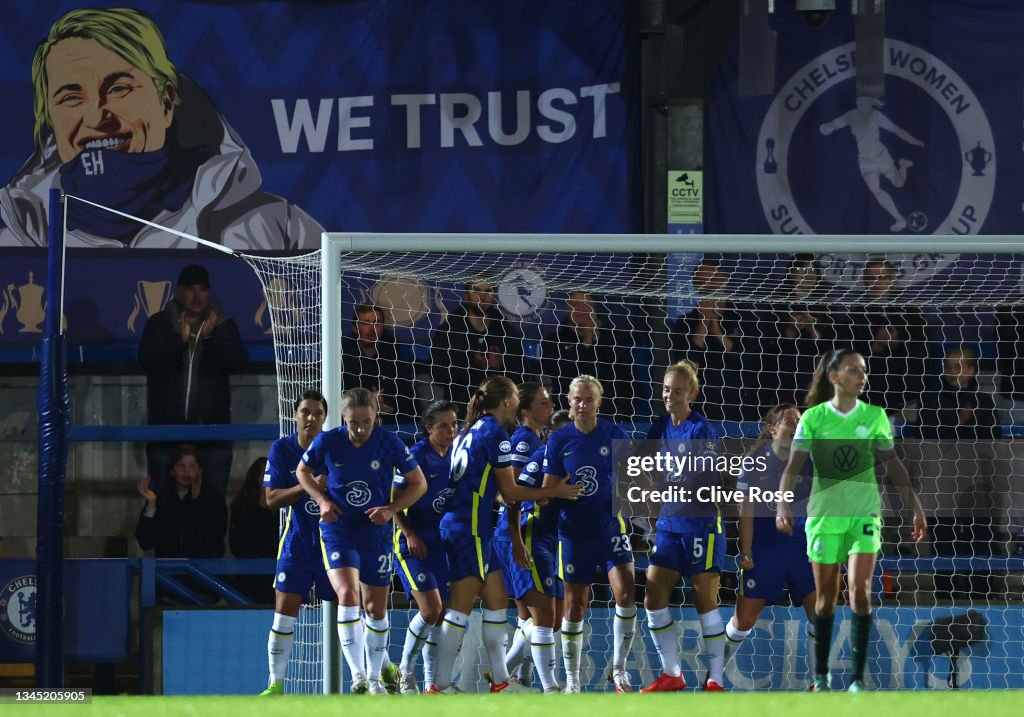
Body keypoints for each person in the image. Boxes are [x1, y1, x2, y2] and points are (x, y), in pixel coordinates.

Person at [0, 7, 323, 249]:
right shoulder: (16, 241)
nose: (97, 117)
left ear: (166, 102)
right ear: (51, 117)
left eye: (119, 89)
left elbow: (364, 308)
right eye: (71, 97)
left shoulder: (276, 227)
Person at [776, 349, 927, 692]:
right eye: (854, 370)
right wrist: (783, 505)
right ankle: (821, 675)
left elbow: (894, 466)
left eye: (864, 371)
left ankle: (858, 681)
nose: (862, 376)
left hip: (864, 514)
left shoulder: (875, 416)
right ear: (834, 378)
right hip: (824, 519)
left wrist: (914, 506)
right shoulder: (813, 418)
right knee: (825, 598)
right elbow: (792, 469)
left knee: (860, 592)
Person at [427, 376, 582, 694]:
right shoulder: (497, 433)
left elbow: (496, 491)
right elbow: (511, 489)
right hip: (469, 528)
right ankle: (439, 686)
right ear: (510, 401)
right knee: (459, 608)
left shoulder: (470, 432)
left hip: (471, 526)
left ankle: (500, 682)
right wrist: (556, 490)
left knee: (497, 603)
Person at [296, 388, 427, 695]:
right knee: (347, 594)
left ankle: (376, 676)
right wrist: (321, 499)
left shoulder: (389, 442)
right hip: (339, 530)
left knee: (376, 609)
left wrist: (392, 509)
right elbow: (302, 471)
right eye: (353, 422)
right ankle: (359, 677)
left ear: (375, 417)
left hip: (376, 533)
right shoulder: (328, 441)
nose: (360, 429)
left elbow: (418, 483)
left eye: (366, 422)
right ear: (344, 418)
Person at [543, 375, 636, 694]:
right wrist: (559, 489)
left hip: (611, 527)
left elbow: (634, 481)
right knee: (574, 606)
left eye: (588, 399)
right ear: (568, 402)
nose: (582, 404)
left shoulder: (614, 434)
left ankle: (619, 670)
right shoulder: (559, 440)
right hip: (573, 533)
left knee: (626, 591)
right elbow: (545, 492)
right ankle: (572, 681)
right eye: (577, 399)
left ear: (599, 402)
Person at [640, 361, 728, 693]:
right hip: (669, 525)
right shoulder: (659, 427)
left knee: (704, 597)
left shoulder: (701, 430)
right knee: (653, 594)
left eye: (677, 391)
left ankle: (715, 679)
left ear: (692, 393)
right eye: (665, 389)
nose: (669, 396)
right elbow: (641, 465)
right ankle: (672, 673)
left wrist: (663, 491)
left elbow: (703, 477)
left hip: (700, 525)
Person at [725, 404, 817, 689]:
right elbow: (746, 514)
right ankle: (714, 677)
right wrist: (747, 552)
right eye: (790, 421)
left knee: (821, 614)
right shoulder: (754, 462)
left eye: (800, 422)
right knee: (743, 621)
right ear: (772, 428)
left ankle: (818, 685)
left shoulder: (810, 461)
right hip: (765, 551)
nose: (796, 426)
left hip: (802, 550)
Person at [139, 263, 248, 497]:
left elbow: (238, 363)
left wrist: (210, 339)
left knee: (213, 502)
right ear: (178, 292)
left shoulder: (222, 326)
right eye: (191, 289)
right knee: (164, 504)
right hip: (166, 430)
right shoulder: (160, 323)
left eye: (203, 290)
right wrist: (178, 341)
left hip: (212, 431)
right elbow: (147, 361)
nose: (197, 297)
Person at [258, 390, 333, 696]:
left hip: (334, 543)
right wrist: (307, 486)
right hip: (298, 544)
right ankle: (275, 683)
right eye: (306, 412)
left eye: (317, 413)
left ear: (325, 417)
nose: (311, 418)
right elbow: (271, 499)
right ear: (295, 415)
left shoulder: (335, 447)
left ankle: (370, 676)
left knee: (356, 610)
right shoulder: (282, 448)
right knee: (284, 612)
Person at [504, 408, 573, 693]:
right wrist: (517, 541)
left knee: (554, 621)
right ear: (553, 435)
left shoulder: (577, 460)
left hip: (556, 542)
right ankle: (552, 689)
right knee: (543, 616)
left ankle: (500, 673)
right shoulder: (540, 459)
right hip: (533, 537)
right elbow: (512, 497)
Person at [393, 400, 459, 694]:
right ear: (428, 428)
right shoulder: (414, 457)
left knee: (442, 613)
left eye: (454, 423)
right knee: (431, 609)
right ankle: (404, 671)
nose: (451, 430)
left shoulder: (458, 455)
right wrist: (408, 533)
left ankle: (433, 685)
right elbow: (391, 500)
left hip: (444, 543)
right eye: (443, 425)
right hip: (414, 542)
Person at [494, 382, 554, 689]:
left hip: (528, 532)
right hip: (519, 531)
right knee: (540, 616)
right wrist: (549, 492)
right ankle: (508, 674)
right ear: (526, 411)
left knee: (530, 617)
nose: (551, 406)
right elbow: (510, 491)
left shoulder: (539, 438)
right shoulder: (522, 440)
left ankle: (518, 677)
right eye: (543, 403)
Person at [669, 260, 762, 422]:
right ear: (696, 287)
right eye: (702, 282)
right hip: (699, 403)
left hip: (739, 402)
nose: (709, 287)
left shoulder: (744, 318)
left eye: (713, 280)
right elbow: (684, 365)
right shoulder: (685, 323)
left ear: (724, 281)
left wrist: (718, 333)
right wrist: (703, 324)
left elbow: (751, 361)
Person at [819, 96, 924, 232]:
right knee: (875, 190)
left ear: (871, 102)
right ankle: (900, 219)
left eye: (865, 100)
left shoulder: (877, 115)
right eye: (859, 100)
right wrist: (827, 127)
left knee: (899, 184)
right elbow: (833, 124)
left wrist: (913, 141)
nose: (861, 102)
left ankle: (903, 165)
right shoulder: (851, 115)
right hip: (865, 161)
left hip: (881, 157)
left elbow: (896, 130)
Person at [430, 278, 525, 409]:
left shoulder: (507, 333)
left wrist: (498, 367)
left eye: (488, 291)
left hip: (501, 407)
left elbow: (520, 376)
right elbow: (438, 374)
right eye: (476, 291)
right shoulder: (448, 331)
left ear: (495, 296)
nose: (482, 297)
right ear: (466, 294)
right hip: (460, 406)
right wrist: (473, 365)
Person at [849, 259, 928, 413]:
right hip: (864, 399)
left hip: (905, 398)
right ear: (865, 282)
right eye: (872, 278)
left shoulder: (911, 315)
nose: (877, 283)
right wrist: (874, 347)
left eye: (882, 277)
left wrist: (896, 344)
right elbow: (846, 360)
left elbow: (923, 356)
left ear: (892, 280)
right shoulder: (855, 318)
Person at [542, 292, 632, 421]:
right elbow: (557, 371)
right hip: (568, 414)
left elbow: (622, 374)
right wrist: (585, 344)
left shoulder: (614, 339)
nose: (581, 309)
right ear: (566, 308)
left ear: (595, 308)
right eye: (575, 304)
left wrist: (596, 339)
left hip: (610, 413)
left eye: (587, 304)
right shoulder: (554, 340)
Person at [135, 443, 227, 558]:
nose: (186, 471)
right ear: (172, 471)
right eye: (180, 465)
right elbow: (145, 542)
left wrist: (196, 500)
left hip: (203, 572)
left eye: (192, 466)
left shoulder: (214, 498)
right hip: (169, 572)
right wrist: (151, 506)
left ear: (200, 471)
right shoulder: (161, 498)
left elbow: (215, 536)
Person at [340, 303, 416, 423]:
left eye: (377, 323)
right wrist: (367, 401)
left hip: (392, 422)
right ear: (355, 328)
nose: (372, 329)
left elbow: (407, 396)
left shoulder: (395, 355)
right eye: (366, 323)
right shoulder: (342, 358)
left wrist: (385, 403)